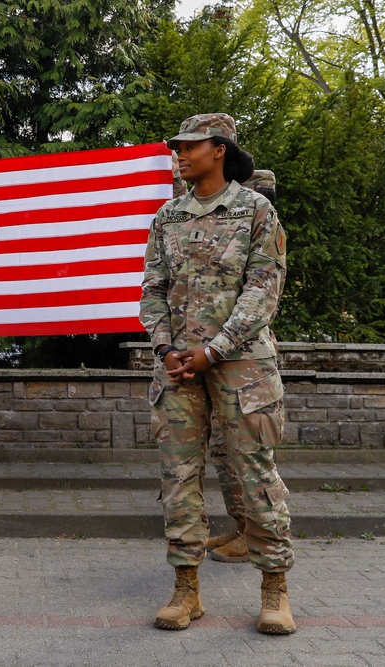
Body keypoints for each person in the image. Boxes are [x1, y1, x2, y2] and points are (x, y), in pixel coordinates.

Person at [140, 114, 295, 634]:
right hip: (178, 370)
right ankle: (186, 590)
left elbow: (263, 291)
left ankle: (274, 589)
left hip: (243, 367)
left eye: (189, 146)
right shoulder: (167, 217)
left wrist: (214, 350)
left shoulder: (256, 211)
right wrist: (164, 347)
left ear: (220, 149)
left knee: (256, 477)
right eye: (177, 147)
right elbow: (153, 289)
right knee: (179, 480)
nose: (179, 154)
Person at [205, 169, 278, 565]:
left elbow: (260, 293)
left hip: (245, 356)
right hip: (220, 351)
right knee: (222, 448)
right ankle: (241, 526)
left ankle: (261, 537)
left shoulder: (260, 223)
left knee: (250, 453)